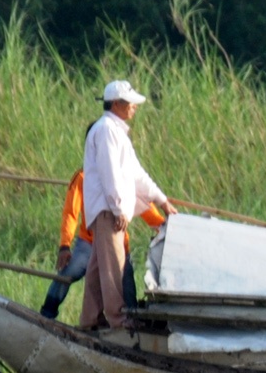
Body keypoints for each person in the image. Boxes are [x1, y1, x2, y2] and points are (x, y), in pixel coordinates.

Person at [80, 80, 177, 331]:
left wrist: (162, 200)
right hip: (108, 211)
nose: (134, 107)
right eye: (130, 103)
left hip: (108, 209)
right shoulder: (106, 130)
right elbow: (109, 173)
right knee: (114, 266)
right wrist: (118, 209)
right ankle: (119, 320)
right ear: (116, 104)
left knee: (98, 267)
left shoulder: (116, 132)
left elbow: (136, 174)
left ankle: (90, 319)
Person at [41, 141, 164, 320]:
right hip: (88, 243)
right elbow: (70, 214)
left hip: (117, 243)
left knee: (126, 284)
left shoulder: (122, 178)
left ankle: (131, 322)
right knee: (68, 273)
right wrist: (64, 246)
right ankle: (46, 315)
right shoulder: (83, 178)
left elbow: (146, 207)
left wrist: (163, 226)